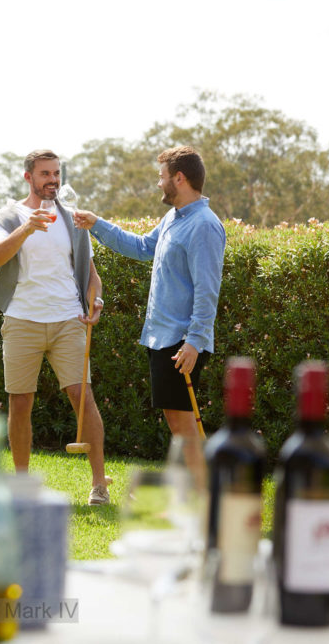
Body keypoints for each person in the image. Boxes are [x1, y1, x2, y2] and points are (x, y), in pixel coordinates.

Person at [72, 145, 225, 467]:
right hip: (164, 338)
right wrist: (97, 224)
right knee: (178, 424)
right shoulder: (174, 218)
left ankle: (204, 500)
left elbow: (207, 290)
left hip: (182, 342)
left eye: (162, 177)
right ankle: (197, 497)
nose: (159, 184)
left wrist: (194, 342)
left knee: (184, 426)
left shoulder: (204, 226)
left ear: (179, 178)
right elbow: (143, 247)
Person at [0, 149, 111, 505]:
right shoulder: (9, 216)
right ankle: (22, 486)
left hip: (67, 320)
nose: (52, 180)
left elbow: (91, 276)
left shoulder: (73, 219)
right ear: (29, 177)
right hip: (22, 319)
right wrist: (27, 228)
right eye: (45, 174)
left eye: (56, 173)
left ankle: (99, 483)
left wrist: (96, 301)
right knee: (20, 401)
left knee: (82, 397)